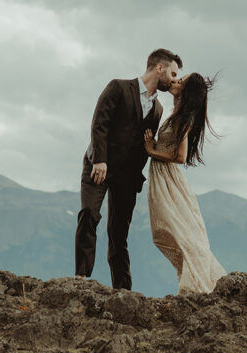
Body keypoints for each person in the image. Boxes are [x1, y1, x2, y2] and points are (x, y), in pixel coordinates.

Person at [75, 48, 182, 289]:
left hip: (126, 177)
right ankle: (81, 278)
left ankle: (123, 290)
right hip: (97, 165)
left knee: (119, 234)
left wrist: (136, 179)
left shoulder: (158, 110)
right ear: (159, 68)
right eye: (173, 74)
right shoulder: (118, 87)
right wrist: (100, 160)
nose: (174, 80)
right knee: (89, 215)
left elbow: (143, 145)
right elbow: (99, 124)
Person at [145, 73, 226, 294]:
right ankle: (189, 278)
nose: (175, 81)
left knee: (176, 231)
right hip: (161, 177)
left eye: (181, 81)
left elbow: (180, 157)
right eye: (177, 78)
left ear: (187, 91)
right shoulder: (177, 114)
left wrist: (152, 151)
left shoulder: (183, 119)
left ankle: (194, 285)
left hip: (168, 177)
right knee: (166, 231)